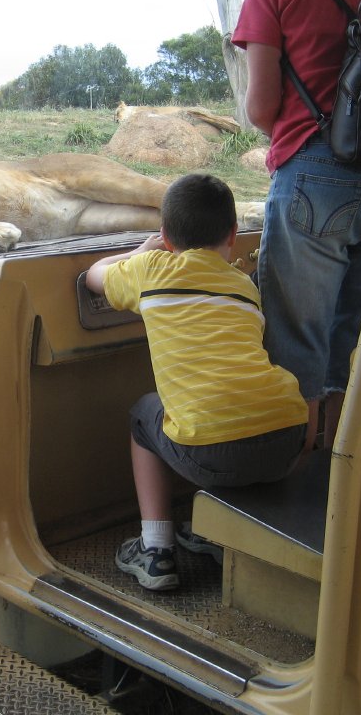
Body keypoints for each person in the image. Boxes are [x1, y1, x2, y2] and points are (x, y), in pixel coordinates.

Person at [85, 174, 307, 590]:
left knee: (145, 417)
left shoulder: (150, 269)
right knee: (233, 408)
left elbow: (94, 275)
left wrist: (139, 252)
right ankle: (218, 536)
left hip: (211, 451)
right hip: (289, 440)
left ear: (166, 236)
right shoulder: (244, 285)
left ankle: (155, 550)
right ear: (233, 234)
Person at [231, 0, 361, 452]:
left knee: (296, 338)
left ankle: (297, 473)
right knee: (353, 337)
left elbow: (262, 106)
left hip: (315, 168)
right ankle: (341, 470)